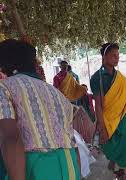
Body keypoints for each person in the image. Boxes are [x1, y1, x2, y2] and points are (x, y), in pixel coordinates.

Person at [0, 39, 80, 180]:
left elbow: (11, 139)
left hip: (35, 168)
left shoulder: (5, 88)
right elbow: (73, 143)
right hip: (70, 165)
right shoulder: (56, 93)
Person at [90, 43, 126, 180]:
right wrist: (102, 127)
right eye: (113, 55)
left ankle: (121, 171)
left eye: (118, 55)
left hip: (122, 118)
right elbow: (99, 106)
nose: (117, 58)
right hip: (107, 119)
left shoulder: (119, 76)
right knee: (109, 147)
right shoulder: (97, 78)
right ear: (104, 57)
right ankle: (113, 159)